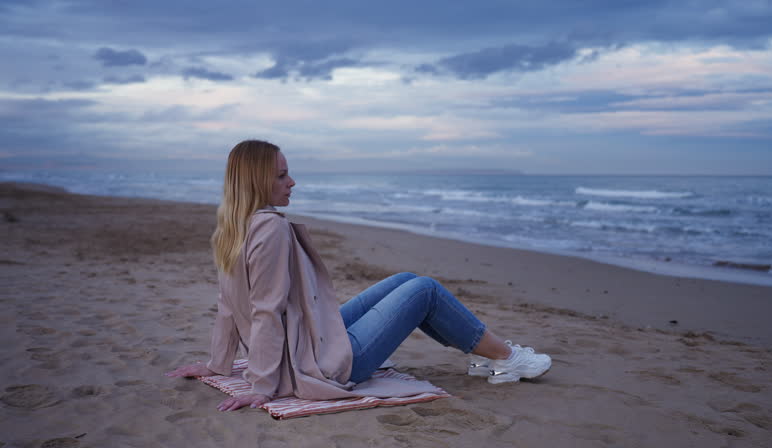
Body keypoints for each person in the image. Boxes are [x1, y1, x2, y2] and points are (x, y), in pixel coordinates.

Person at [165, 139, 551, 411]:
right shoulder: (269, 229)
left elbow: (228, 307)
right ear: (256, 182)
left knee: (404, 280)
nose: (292, 182)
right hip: (318, 364)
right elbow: (265, 311)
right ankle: (506, 357)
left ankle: (484, 356)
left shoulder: (232, 228)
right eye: (282, 176)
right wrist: (263, 388)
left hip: (305, 340)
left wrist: (217, 365)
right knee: (425, 290)